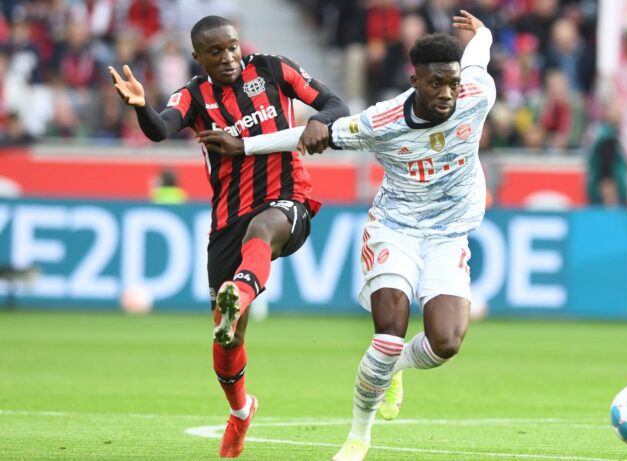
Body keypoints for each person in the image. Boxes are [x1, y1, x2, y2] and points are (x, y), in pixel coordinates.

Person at [213, 10, 496, 460]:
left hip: (449, 234)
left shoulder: (477, 94)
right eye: (436, 83)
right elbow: (311, 135)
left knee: (446, 343)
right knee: (388, 335)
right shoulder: (382, 122)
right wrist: (244, 145)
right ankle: (359, 437)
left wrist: (482, 32)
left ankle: (393, 368)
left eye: (452, 83)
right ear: (415, 81)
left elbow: (479, 55)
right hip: (395, 230)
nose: (447, 93)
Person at [108, 15, 348, 458]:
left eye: (232, 47)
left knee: (263, 229)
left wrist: (320, 122)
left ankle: (239, 290)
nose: (228, 57)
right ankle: (240, 411)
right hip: (227, 222)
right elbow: (161, 129)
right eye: (215, 52)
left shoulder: (274, 69)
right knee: (228, 338)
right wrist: (141, 106)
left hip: (287, 198)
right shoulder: (193, 95)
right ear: (198, 57)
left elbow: (335, 104)